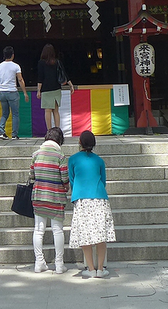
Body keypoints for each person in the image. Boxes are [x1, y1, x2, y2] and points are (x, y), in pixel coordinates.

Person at [68, 130, 114, 278]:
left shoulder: (73, 159)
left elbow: (72, 180)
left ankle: (90, 268)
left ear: (80, 142)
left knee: (85, 234)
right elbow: (104, 181)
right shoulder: (99, 160)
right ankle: (101, 269)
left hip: (82, 199)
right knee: (101, 235)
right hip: (99, 197)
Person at [30, 127, 69, 273]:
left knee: (38, 230)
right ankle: (59, 264)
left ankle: (39, 262)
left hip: (39, 195)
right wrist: (66, 187)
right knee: (57, 230)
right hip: (56, 196)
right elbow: (64, 178)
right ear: (60, 140)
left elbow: (31, 175)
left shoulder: (36, 154)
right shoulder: (60, 155)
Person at [0, 46, 28, 140]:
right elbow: (20, 79)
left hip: (2, 92)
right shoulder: (16, 66)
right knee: (15, 114)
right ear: (13, 55)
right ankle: (14, 134)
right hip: (12, 91)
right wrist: (25, 92)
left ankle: (1, 131)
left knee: (4, 113)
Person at [36, 44, 73, 134]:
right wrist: (71, 85)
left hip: (46, 89)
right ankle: (57, 131)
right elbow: (64, 74)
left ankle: (49, 131)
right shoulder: (57, 62)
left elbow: (40, 78)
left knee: (47, 111)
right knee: (56, 111)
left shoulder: (41, 63)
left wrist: (38, 90)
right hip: (56, 89)